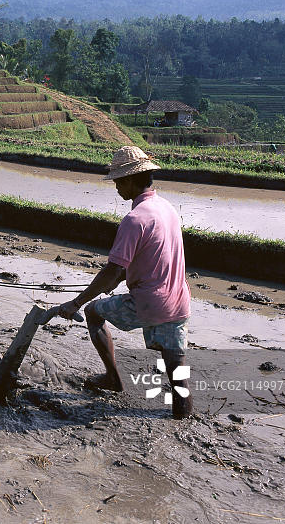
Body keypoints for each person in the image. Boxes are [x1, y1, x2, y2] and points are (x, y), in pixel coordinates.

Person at [57, 146, 193, 419]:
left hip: (148, 301)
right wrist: (119, 278)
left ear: (131, 180)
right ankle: (184, 408)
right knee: (173, 354)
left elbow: (112, 271)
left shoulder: (134, 219)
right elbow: (144, 259)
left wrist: (76, 302)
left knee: (92, 313)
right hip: (179, 297)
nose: (117, 187)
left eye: (119, 181)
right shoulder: (166, 208)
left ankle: (112, 378)